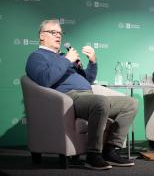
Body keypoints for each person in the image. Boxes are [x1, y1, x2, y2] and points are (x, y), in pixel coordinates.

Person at [25, 19, 138, 170]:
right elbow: (45, 80)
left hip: (88, 95)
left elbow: (88, 79)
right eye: (53, 32)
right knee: (100, 102)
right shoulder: (36, 57)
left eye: (60, 33)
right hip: (68, 98)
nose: (58, 36)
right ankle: (92, 155)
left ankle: (110, 150)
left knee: (130, 103)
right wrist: (66, 60)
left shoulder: (64, 57)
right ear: (42, 36)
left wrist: (92, 62)